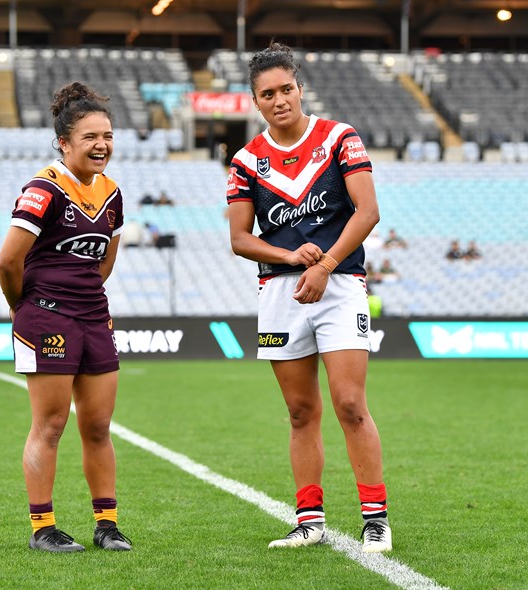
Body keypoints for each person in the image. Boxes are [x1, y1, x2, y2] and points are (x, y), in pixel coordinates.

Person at [226, 42, 391, 554]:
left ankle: (375, 518)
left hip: (340, 285)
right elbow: (239, 239)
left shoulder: (341, 138)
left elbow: (367, 212)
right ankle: (309, 520)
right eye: (267, 94)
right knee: (300, 412)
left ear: (300, 87)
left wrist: (323, 265)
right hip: (279, 292)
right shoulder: (246, 161)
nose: (279, 100)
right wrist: (290, 256)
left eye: (286, 89)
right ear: (256, 101)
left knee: (349, 403)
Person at [0, 81, 132, 554]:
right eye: (91, 137)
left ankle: (107, 524)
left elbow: (105, 262)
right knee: (50, 425)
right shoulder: (43, 189)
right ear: (64, 142)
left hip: (94, 317)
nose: (102, 145)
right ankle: (43, 529)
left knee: (97, 426)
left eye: (108, 136)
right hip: (46, 318)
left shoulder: (113, 194)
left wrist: (84, 295)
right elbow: (7, 262)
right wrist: (23, 308)